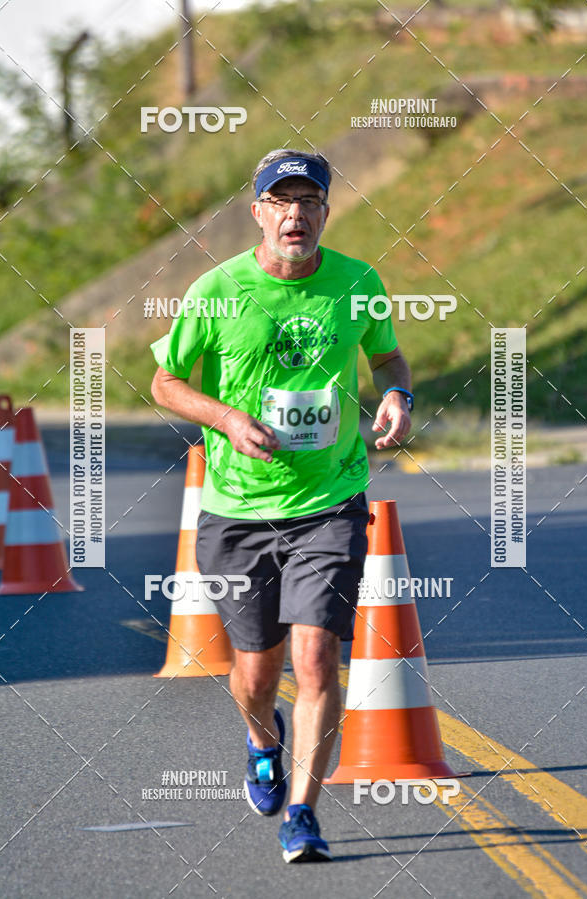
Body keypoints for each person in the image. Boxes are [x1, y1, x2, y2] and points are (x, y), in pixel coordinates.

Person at [150, 148, 412, 863]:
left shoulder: (358, 283)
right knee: (258, 673)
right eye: (281, 201)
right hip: (237, 506)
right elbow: (165, 382)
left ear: (326, 211)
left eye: (309, 201)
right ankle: (263, 738)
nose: (295, 214)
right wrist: (227, 418)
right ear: (259, 211)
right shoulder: (217, 289)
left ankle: (303, 812)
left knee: (318, 657)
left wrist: (398, 393)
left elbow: (387, 358)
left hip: (330, 500)